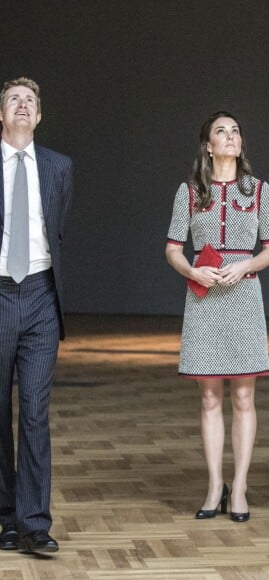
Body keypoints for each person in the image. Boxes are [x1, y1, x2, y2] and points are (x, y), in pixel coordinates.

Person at [165, 111, 269, 523]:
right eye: (221, 131)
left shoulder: (259, 190)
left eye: (235, 131)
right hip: (204, 297)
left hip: (244, 294)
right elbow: (174, 248)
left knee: (244, 397)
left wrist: (248, 264)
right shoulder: (190, 192)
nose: (230, 137)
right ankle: (215, 485)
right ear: (208, 146)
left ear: (240, 143)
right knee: (210, 397)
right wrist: (192, 270)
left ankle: (241, 487)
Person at [0, 77, 73, 553]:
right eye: (13, 100)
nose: (23, 106)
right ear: (1, 114)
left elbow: (58, 226)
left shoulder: (59, 166)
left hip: (43, 295)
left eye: (30, 101)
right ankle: (6, 516)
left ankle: (34, 522)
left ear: (39, 115)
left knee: (34, 414)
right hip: (0, 291)